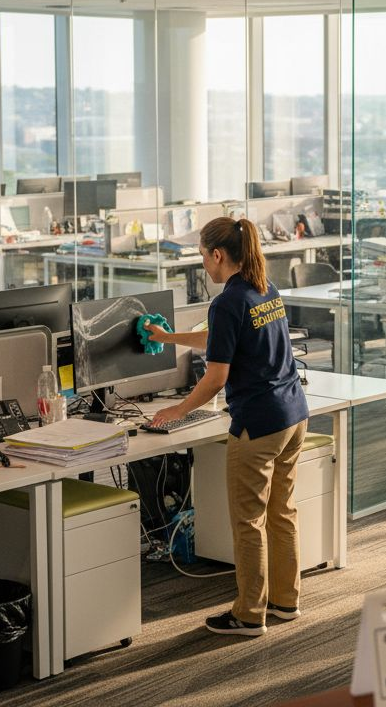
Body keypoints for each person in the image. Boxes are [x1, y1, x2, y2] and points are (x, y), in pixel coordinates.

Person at [147, 216, 308, 637]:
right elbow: (220, 340)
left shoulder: (228, 301)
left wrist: (175, 411)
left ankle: (249, 614)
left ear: (218, 255)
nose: (203, 265)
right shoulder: (263, 288)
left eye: (202, 256)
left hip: (258, 423)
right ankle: (286, 601)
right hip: (293, 416)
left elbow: (217, 377)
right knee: (282, 513)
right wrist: (168, 338)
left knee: (249, 521)